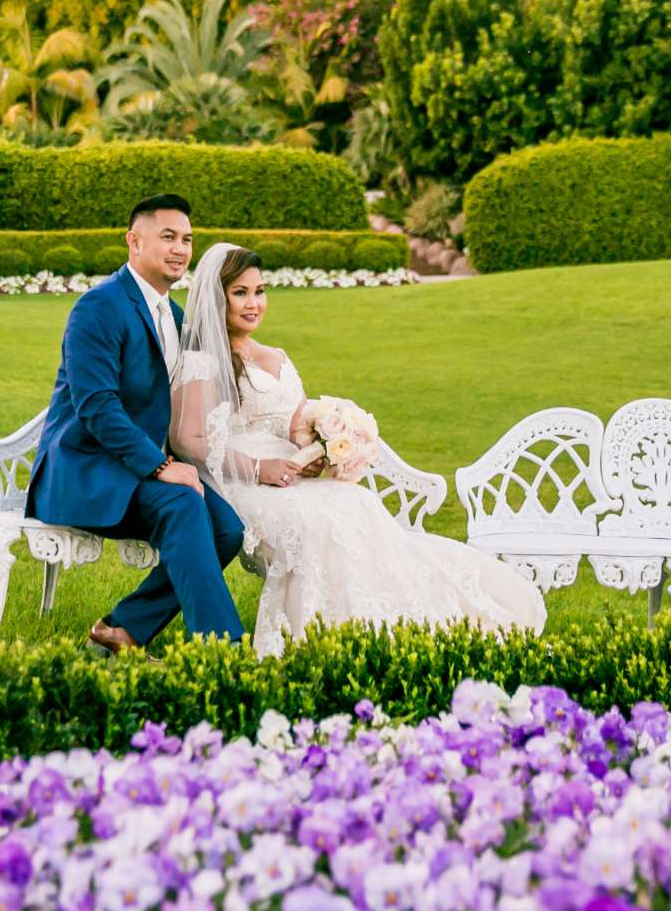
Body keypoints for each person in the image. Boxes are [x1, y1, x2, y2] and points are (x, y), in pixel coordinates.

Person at [171, 241, 547, 657]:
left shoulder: (275, 355)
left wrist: (320, 448)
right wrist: (260, 468)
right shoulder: (203, 362)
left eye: (259, 291)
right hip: (244, 480)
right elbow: (188, 439)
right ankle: (318, 642)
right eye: (240, 292)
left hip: (291, 473)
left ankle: (394, 622)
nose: (253, 303)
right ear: (215, 296)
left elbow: (295, 422)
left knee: (358, 506)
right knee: (318, 526)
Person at [27, 194, 246, 653]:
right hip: (85, 470)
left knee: (228, 529)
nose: (180, 249)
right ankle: (224, 654)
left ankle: (121, 628)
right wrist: (160, 466)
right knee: (183, 505)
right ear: (133, 241)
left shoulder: (177, 316)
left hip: (134, 470)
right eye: (167, 237)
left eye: (186, 239)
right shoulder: (99, 307)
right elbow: (96, 406)